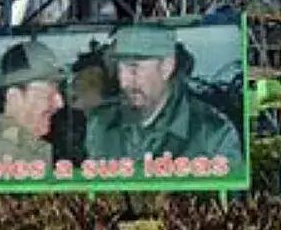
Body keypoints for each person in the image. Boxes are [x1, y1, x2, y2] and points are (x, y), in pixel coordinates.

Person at [85, 22, 243, 163]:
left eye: (135, 68)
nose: (125, 81)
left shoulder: (212, 132)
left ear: (166, 67)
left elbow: (228, 194)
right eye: (120, 68)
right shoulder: (101, 125)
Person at [0, 39, 66, 166]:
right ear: (14, 97)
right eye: (48, 94)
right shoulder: (5, 155)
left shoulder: (20, 147)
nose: (60, 103)